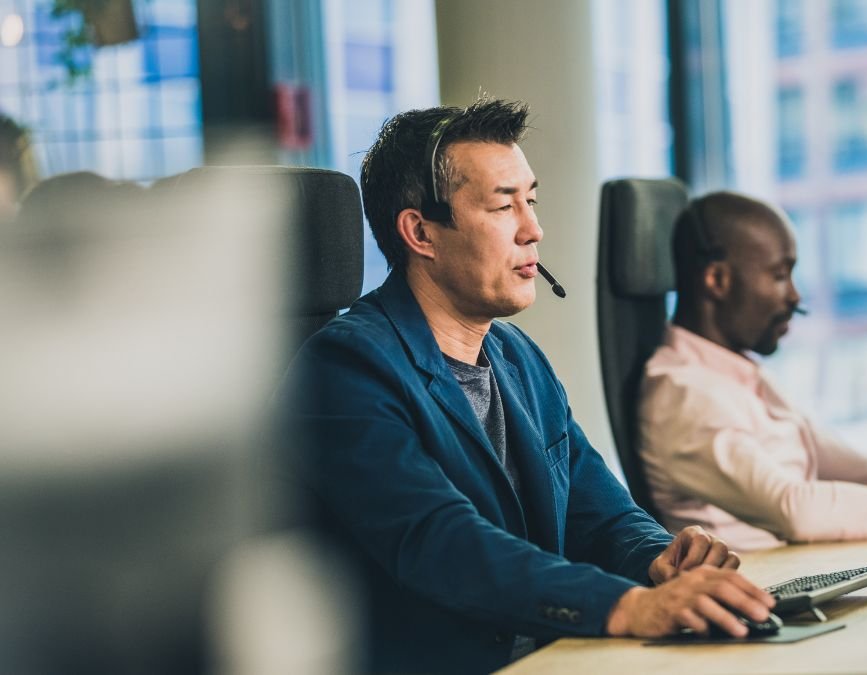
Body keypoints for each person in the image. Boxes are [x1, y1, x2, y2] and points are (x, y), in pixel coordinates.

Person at [276, 100, 775, 674]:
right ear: (420, 232)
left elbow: (602, 515)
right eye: (503, 205)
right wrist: (628, 605)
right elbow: (444, 545)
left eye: (530, 201)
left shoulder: (516, 357)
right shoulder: (344, 368)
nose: (533, 230)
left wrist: (660, 559)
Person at [638, 191, 867, 551]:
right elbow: (795, 508)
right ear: (718, 280)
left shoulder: (743, 376)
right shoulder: (680, 394)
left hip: (796, 565)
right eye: (780, 275)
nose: (795, 296)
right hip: (757, 588)